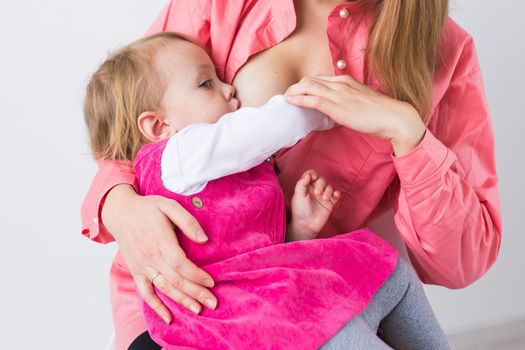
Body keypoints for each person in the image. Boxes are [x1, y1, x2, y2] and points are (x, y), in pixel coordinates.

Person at [81, 0, 501, 348]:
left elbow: (461, 262)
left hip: (298, 286)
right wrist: (117, 202)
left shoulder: (446, 52)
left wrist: (407, 132)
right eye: (211, 84)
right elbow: (128, 111)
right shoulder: (221, 4)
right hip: (179, 306)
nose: (227, 91)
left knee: (388, 276)